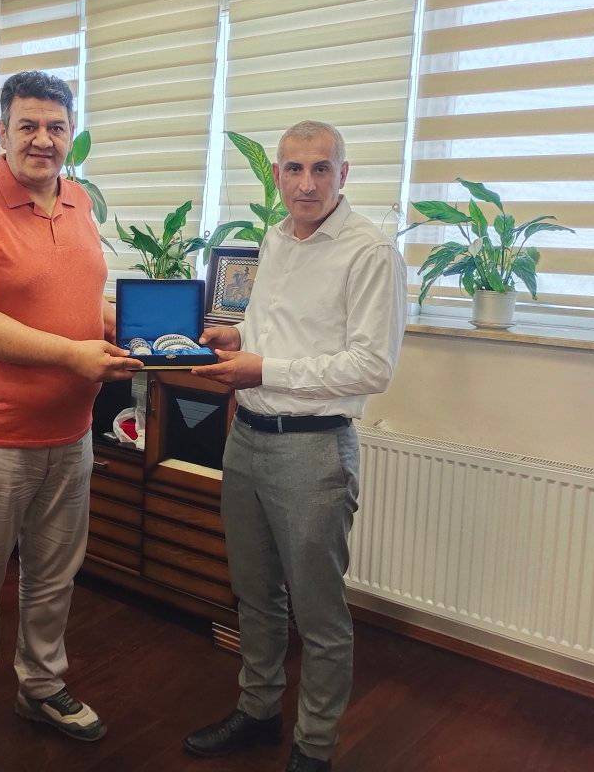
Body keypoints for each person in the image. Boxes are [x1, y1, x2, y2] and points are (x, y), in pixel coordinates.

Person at [0, 70, 142, 772]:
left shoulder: (78, 203)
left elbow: (83, 304)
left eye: (55, 127)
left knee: (54, 577)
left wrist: (143, 333)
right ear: (3, 131)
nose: (42, 139)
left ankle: (41, 688)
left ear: (70, 134)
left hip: (69, 434)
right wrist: (73, 355)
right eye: (28, 125)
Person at [185, 121, 407, 772]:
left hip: (314, 451)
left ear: (344, 174)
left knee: (319, 616)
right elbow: (280, 331)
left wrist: (264, 368)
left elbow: (371, 368)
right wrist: (238, 340)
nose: (306, 183)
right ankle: (258, 712)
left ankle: (315, 749)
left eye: (320, 168)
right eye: (293, 169)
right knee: (255, 596)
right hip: (247, 439)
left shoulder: (371, 252)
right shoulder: (276, 238)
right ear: (277, 174)